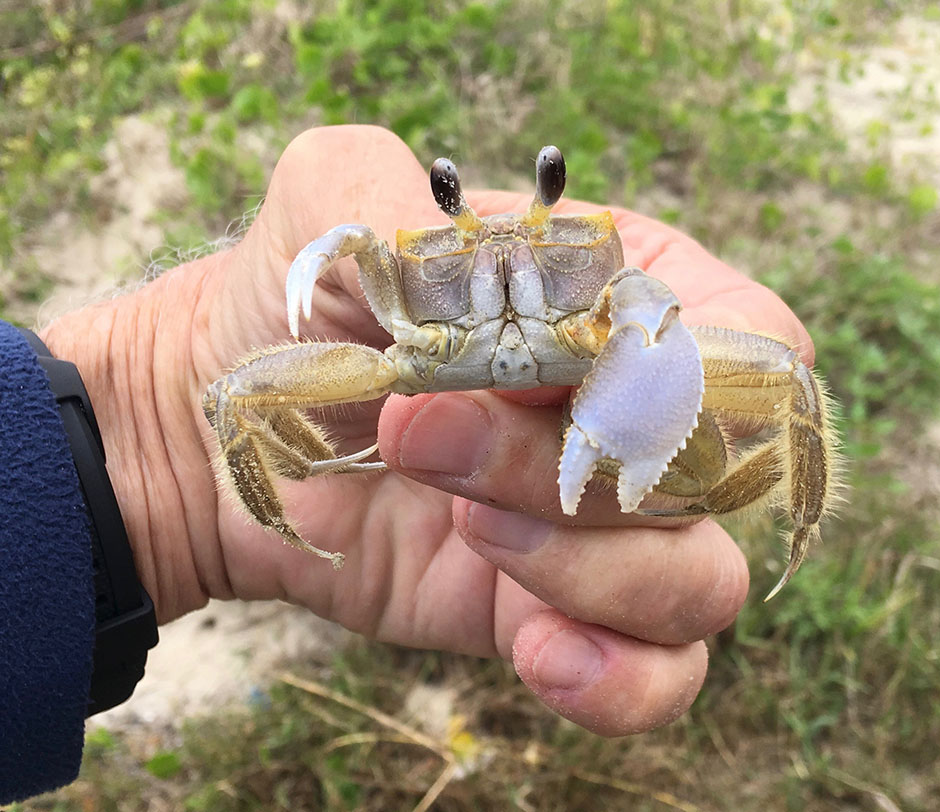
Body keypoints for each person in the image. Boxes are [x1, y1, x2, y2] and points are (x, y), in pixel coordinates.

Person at [0, 125, 814, 802]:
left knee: (783, 383)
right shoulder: (386, 278)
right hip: (417, 359)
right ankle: (292, 502)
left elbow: (770, 386)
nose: (512, 280)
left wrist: (688, 462)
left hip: (591, 354)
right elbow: (228, 396)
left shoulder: (617, 298)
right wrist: (174, 445)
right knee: (240, 395)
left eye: (545, 252)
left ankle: (759, 516)